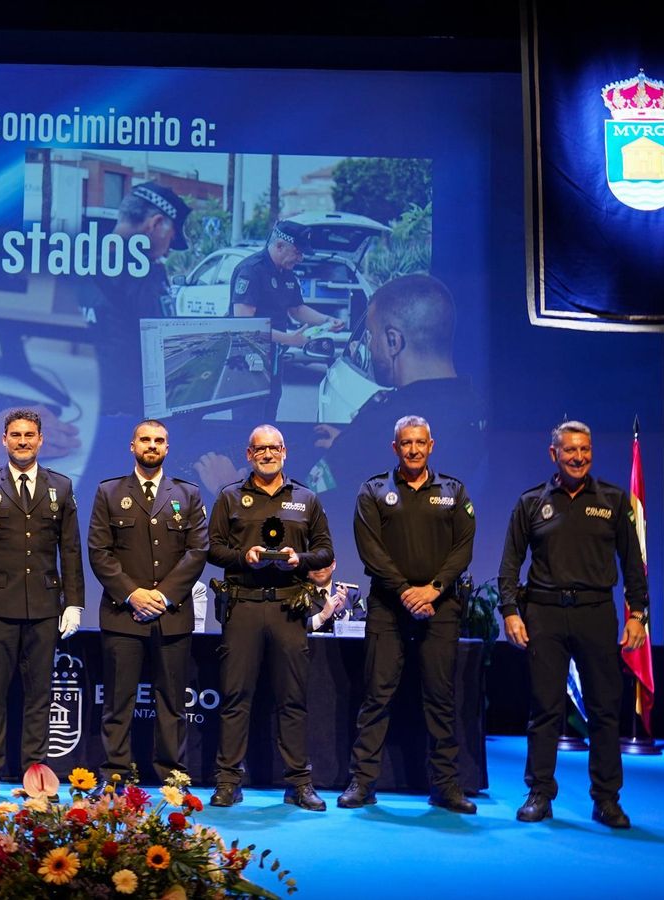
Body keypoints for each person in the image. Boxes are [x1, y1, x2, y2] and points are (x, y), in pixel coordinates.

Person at [499, 420, 649, 829]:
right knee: (545, 709)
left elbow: (633, 565)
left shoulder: (614, 501)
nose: (578, 458)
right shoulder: (531, 502)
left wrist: (638, 614)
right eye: (570, 451)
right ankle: (540, 793)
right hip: (544, 614)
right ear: (554, 455)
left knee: (604, 710)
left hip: (596, 613)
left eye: (585, 450)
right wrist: (510, 611)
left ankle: (606, 799)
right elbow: (510, 563)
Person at [337, 416, 476, 813]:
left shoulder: (453, 490)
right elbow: (370, 549)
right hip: (387, 605)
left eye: (419, 443)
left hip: (441, 604)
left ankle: (447, 786)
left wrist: (432, 590)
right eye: (405, 443)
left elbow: (463, 548)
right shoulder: (374, 490)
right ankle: (363, 782)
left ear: (431, 445)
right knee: (377, 696)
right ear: (394, 447)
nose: (413, 450)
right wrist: (405, 591)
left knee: (440, 698)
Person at [0, 409, 84, 801]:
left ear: (41, 440)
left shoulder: (60, 487)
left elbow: (71, 550)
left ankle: (35, 776)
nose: (23, 441)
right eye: (16, 435)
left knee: (39, 695)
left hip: (45, 606)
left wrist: (74, 604)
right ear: (4, 440)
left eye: (29, 435)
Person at [207, 424, 333, 811]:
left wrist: (302, 559)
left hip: (287, 607)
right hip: (243, 605)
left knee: (292, 699)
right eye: (259, 449)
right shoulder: (230, 497)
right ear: (249, 454)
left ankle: (299, 782)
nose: (267, 454)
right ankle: (228, 781)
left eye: (273, 448)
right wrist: (242, 556)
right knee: (235, 698)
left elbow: (325, 550)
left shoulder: (306, 499)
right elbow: (211, 548)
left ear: (285, 451)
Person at [87, 419, 208, 784]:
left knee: (172, 704)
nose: (151, 445)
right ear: (132, 446)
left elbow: (197, 551)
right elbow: (99, 551)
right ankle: (115, 777)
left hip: (171, 616)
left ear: (167, 448)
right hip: (123, 614)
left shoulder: (187, 494)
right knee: (118, 703)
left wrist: (163, 596)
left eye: (159, 440)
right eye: (145, 440)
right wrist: (133, 593)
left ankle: (173, 776)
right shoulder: (109, 492)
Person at [314, 274, 484, 484]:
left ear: (393, 341)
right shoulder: (478, 410)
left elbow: (310, 497)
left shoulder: (379, 427)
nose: (369, 345)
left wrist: (347, 446)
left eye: (370, 335)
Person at [76, 181, 191, 417]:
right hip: (128, 412)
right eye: (171, 238)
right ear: (156, 224)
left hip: (83, 402)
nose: (168, 251)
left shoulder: (79, 260)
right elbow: (165, 348)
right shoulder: (146, 274)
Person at [230, 220, 345, 418]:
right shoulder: (251, 271)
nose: (300, 258)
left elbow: (297, 309)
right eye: (297, 252)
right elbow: (244, 325)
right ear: (280, 246)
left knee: (270, 408)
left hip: (273, 355)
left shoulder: (287, 274)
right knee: (248, 416)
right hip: (248, 357)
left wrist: (326, 320)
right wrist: (289, 339)